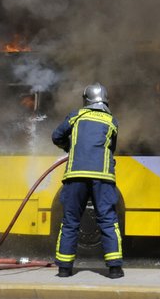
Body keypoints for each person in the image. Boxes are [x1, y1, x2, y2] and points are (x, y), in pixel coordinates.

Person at [51, 82, 124, 279]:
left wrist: (70, 146)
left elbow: (56, 136)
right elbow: (111, 147)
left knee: (70, 222)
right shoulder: (112, 121)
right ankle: (115, 269)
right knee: (108, 221)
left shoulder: (76, 116)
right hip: (103, 178)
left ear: (86, 99)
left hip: (75, 176)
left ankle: (64, 269)